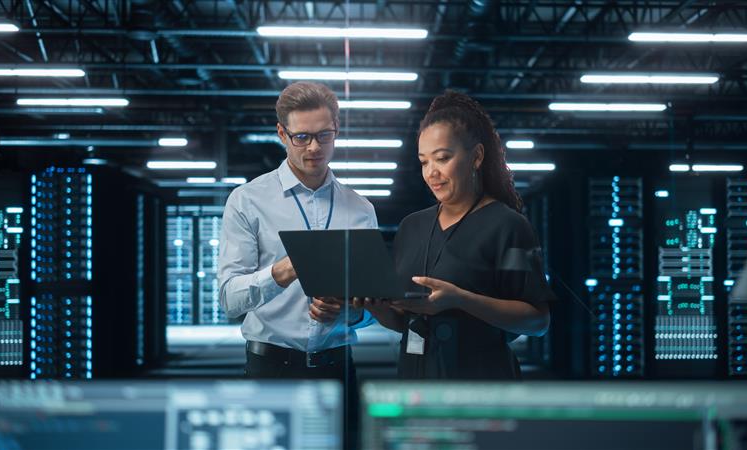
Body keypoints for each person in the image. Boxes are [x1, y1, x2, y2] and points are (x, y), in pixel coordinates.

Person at [358, 91, 553, 379]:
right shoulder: (411, 226)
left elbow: (537, 321)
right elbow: (408, 321)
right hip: (416, 379)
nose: (431, 172)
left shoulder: (508, 226)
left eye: (442, 158)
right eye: (424, 162)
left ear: (476, 157)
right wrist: (377, 309)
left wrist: (460, 299)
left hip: (481, 383)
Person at [217, 81, 377, 380]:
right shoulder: (248, 200)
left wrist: (350, 313)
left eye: (323, 135)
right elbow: (229, 298)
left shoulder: (361, 209)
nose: (314, 147)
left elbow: (373, 303)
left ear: (336, 130)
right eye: (302, 137)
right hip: (271, 368)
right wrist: (282, 271)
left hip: (338, 368)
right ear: (282, 134)